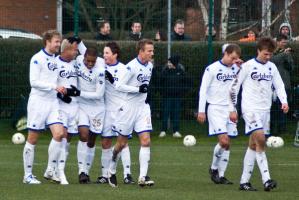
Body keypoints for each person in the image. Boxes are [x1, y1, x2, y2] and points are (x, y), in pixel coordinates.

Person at [228, 37, 289, 191]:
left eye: (270, 55)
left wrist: (284, 101)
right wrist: (232, 109)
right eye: (265, 54)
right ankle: (267, 180)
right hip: (250, 110)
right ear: (258, 51)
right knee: (261, 139)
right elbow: (233, 88)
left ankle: (244, 181)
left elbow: (279, 85)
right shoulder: (247, 66)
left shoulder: (272, 67)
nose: (268, 57)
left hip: (265, 111)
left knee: (254, 145)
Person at [107, 39, 155, 187]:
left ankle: (142, 177)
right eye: (149, 51)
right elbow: (119, 86)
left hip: (142, 107)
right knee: (121, 144)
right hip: (128, 108)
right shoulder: (130, 67)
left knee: (146, 140)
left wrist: (142, 92)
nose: (152, 53)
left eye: (153, 51)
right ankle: (112, 169)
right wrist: (137, 90)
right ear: (141, 52)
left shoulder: (150, 66)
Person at [23, 30, 65, 184]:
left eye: (59, 42)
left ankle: (49, 170)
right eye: (56, 42)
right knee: (33, 138)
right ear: (47, 41)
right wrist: (53, 86)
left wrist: (61, 88)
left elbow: (56, 80)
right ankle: (27, 175)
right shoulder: (37, 59)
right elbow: (33, 82)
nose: (58, 45)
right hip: (38, 103)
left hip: (53, 102)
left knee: (59, 134)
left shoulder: (56, 60)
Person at [197, 44, 242, 185]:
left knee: (228, 144)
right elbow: (203, 90)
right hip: (215, 108)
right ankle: (214, 168)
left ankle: (221, 175)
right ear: (226, 54)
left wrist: (242, 66)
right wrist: (201, 110)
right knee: (224, 141)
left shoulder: (237, 68)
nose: (234, 61)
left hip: (230, 109)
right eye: (232, 58)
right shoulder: (212, 69)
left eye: (236, 59)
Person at [96, 42, 135, 184]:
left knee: (122, 142)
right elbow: (86, 52)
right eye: (104, 53)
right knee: (106, 142)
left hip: (121, 109)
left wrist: (112, 80)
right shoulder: (101, 65)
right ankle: (105, 175)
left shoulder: (124, 69)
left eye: (107, 53)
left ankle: (127, 174)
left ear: (115, 55)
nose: (104, 55)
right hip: (107, 110)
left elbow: (125, 89)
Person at [66, 46, 106, 184]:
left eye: (92, 62)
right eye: (88, 61)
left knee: (91, 141)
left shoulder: (100, 71)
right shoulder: (77, 60)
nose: (90, 64)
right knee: (83, 135)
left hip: (97, 109)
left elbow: (99, 94)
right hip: (82, 106)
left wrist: (79, 93)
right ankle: (81, 171)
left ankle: (87, 172)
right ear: (83, 57)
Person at [52, 38, 80, 185]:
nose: (76, 52)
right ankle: (59, 171)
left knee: (68, 138)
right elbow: (52, 85)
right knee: (61, 135)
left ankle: (58, 168)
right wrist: (61, 96)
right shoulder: (55, 63)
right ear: (65, 50)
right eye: (73, 49)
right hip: (61, 105)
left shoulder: (76, 63)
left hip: (75, 106)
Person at [270, 34, 294, 134]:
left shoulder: (286, 54)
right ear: (278, 42)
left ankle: (282, 130)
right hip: (272, 86)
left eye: (285, 42)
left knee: (283, 108)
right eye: (283, 42)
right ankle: (271, 129)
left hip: (285, 84)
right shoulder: (271, 52)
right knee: (272, 109)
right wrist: (284, 54)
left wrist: (287, 57)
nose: (284, 44)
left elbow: (291, 67)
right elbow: (273, 61)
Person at [159, 55, 186, 138]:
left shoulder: (180, 72)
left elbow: (185, 83)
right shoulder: (165, 71)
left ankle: (176, 131)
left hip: (177, 97)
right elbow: (160, 83)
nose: (168, 63)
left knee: (176, 114)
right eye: (168, 62)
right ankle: (163, 130)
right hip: (167, 97)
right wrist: (163, 92)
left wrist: (182, 92)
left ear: (174, 63)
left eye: (170, 62)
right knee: (165, 113)